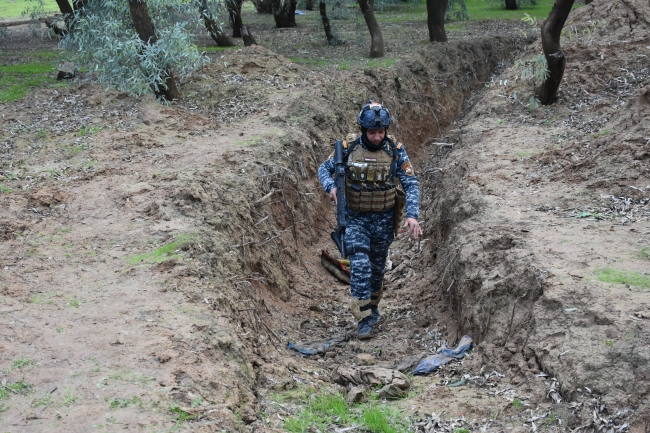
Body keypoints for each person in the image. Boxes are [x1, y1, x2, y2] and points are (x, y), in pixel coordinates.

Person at [318, 101, 422, 339]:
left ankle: (373, 309)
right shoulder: (348, 148)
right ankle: (363, 320)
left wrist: (412, 215)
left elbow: (410, 182)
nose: (377, 137)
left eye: (381, 132)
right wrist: (331, 186)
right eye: (372, 132)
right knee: (360, 265)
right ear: (363, 130)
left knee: (376, 270)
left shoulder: (395, 149)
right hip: (356, 219)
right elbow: (324, 169)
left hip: (384, 221)